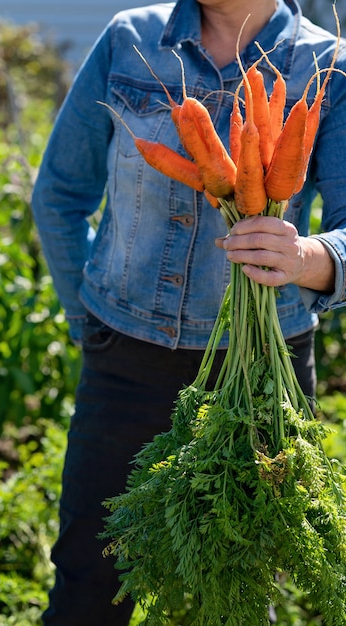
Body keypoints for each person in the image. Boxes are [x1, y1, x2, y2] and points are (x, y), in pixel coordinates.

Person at [31, 0, 346, 624]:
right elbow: (59, 195)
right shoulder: (131, 39)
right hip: (126, 360)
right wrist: (86, 322)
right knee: (91, 579)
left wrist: (307, 256)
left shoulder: (325, 63)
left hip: (264, 372)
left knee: (237, 589)